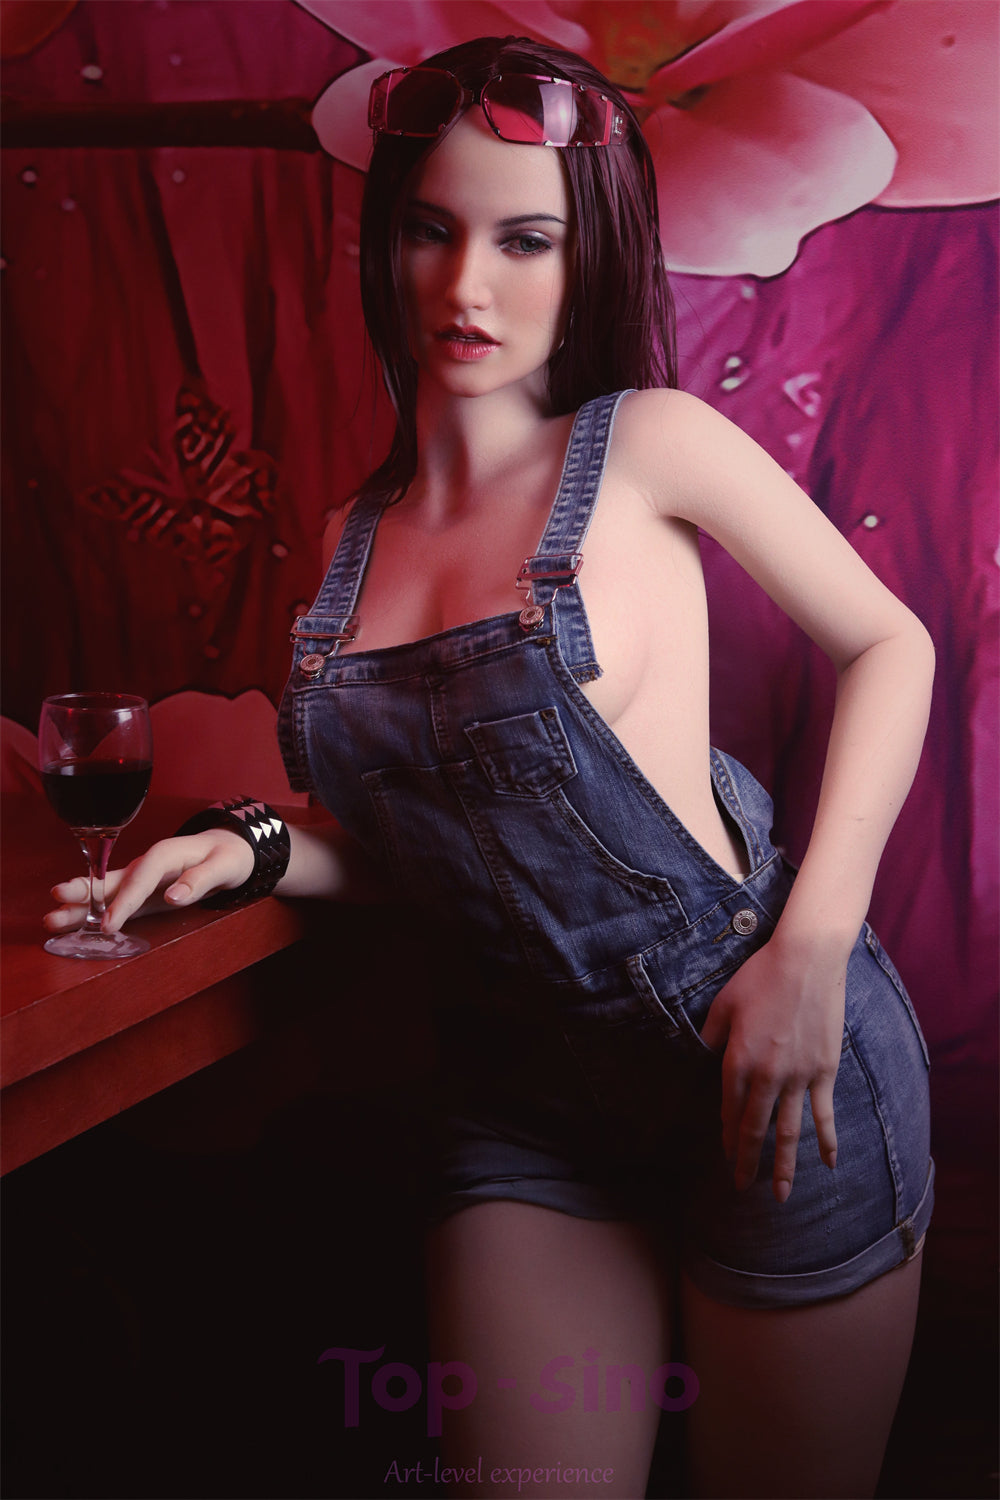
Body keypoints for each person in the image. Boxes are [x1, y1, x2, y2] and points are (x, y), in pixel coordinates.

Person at [46, 36, 935, 1500]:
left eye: (527, 240)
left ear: (593, 257)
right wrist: (254, 847)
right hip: (528, 1092)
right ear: (386, 242)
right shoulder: (350, 538)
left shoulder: (649, 446)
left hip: (771, 1065)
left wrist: (812, 952)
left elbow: (892, 644)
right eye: (429, 229)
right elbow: (438, 842)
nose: (467, 286)